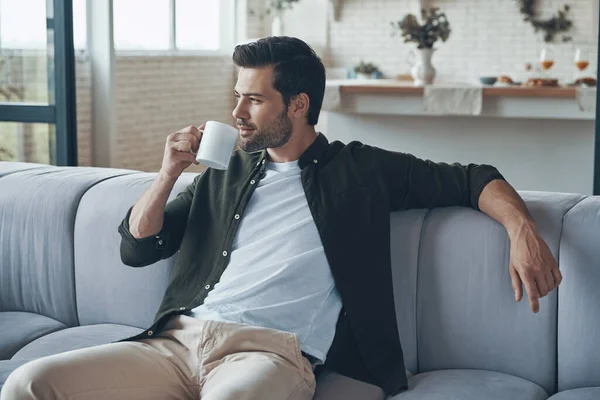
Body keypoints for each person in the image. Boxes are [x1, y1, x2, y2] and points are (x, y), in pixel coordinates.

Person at [1, 36, 562, 400]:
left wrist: (521, 230)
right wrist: (170, 171)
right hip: (173, 345)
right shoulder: (223, 172)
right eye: (236, 97)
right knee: (28, 384)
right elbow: (137, 247)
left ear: (298, 104)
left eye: (253, 100)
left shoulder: (360, 171)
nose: (236, 113)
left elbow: (472, 177)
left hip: (269, 353)